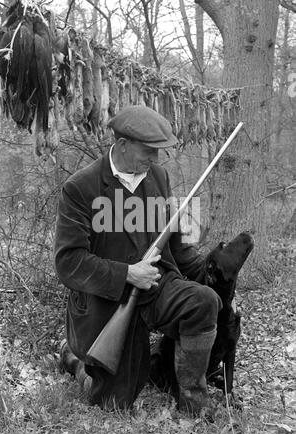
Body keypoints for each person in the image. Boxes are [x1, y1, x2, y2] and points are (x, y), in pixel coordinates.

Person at [54, 105, 222, 416]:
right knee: (112, 403)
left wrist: (213, 272)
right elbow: (69, 261)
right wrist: (128, 273)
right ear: (122, 146)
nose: (156, 161)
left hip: (157, 285)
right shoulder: (80, 188)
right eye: (149, 151)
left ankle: (193, 402)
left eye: (158, 153)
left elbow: (177, 243)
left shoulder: (158, 176)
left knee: (204, 302)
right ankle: (76, 361)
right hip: (108, 299)